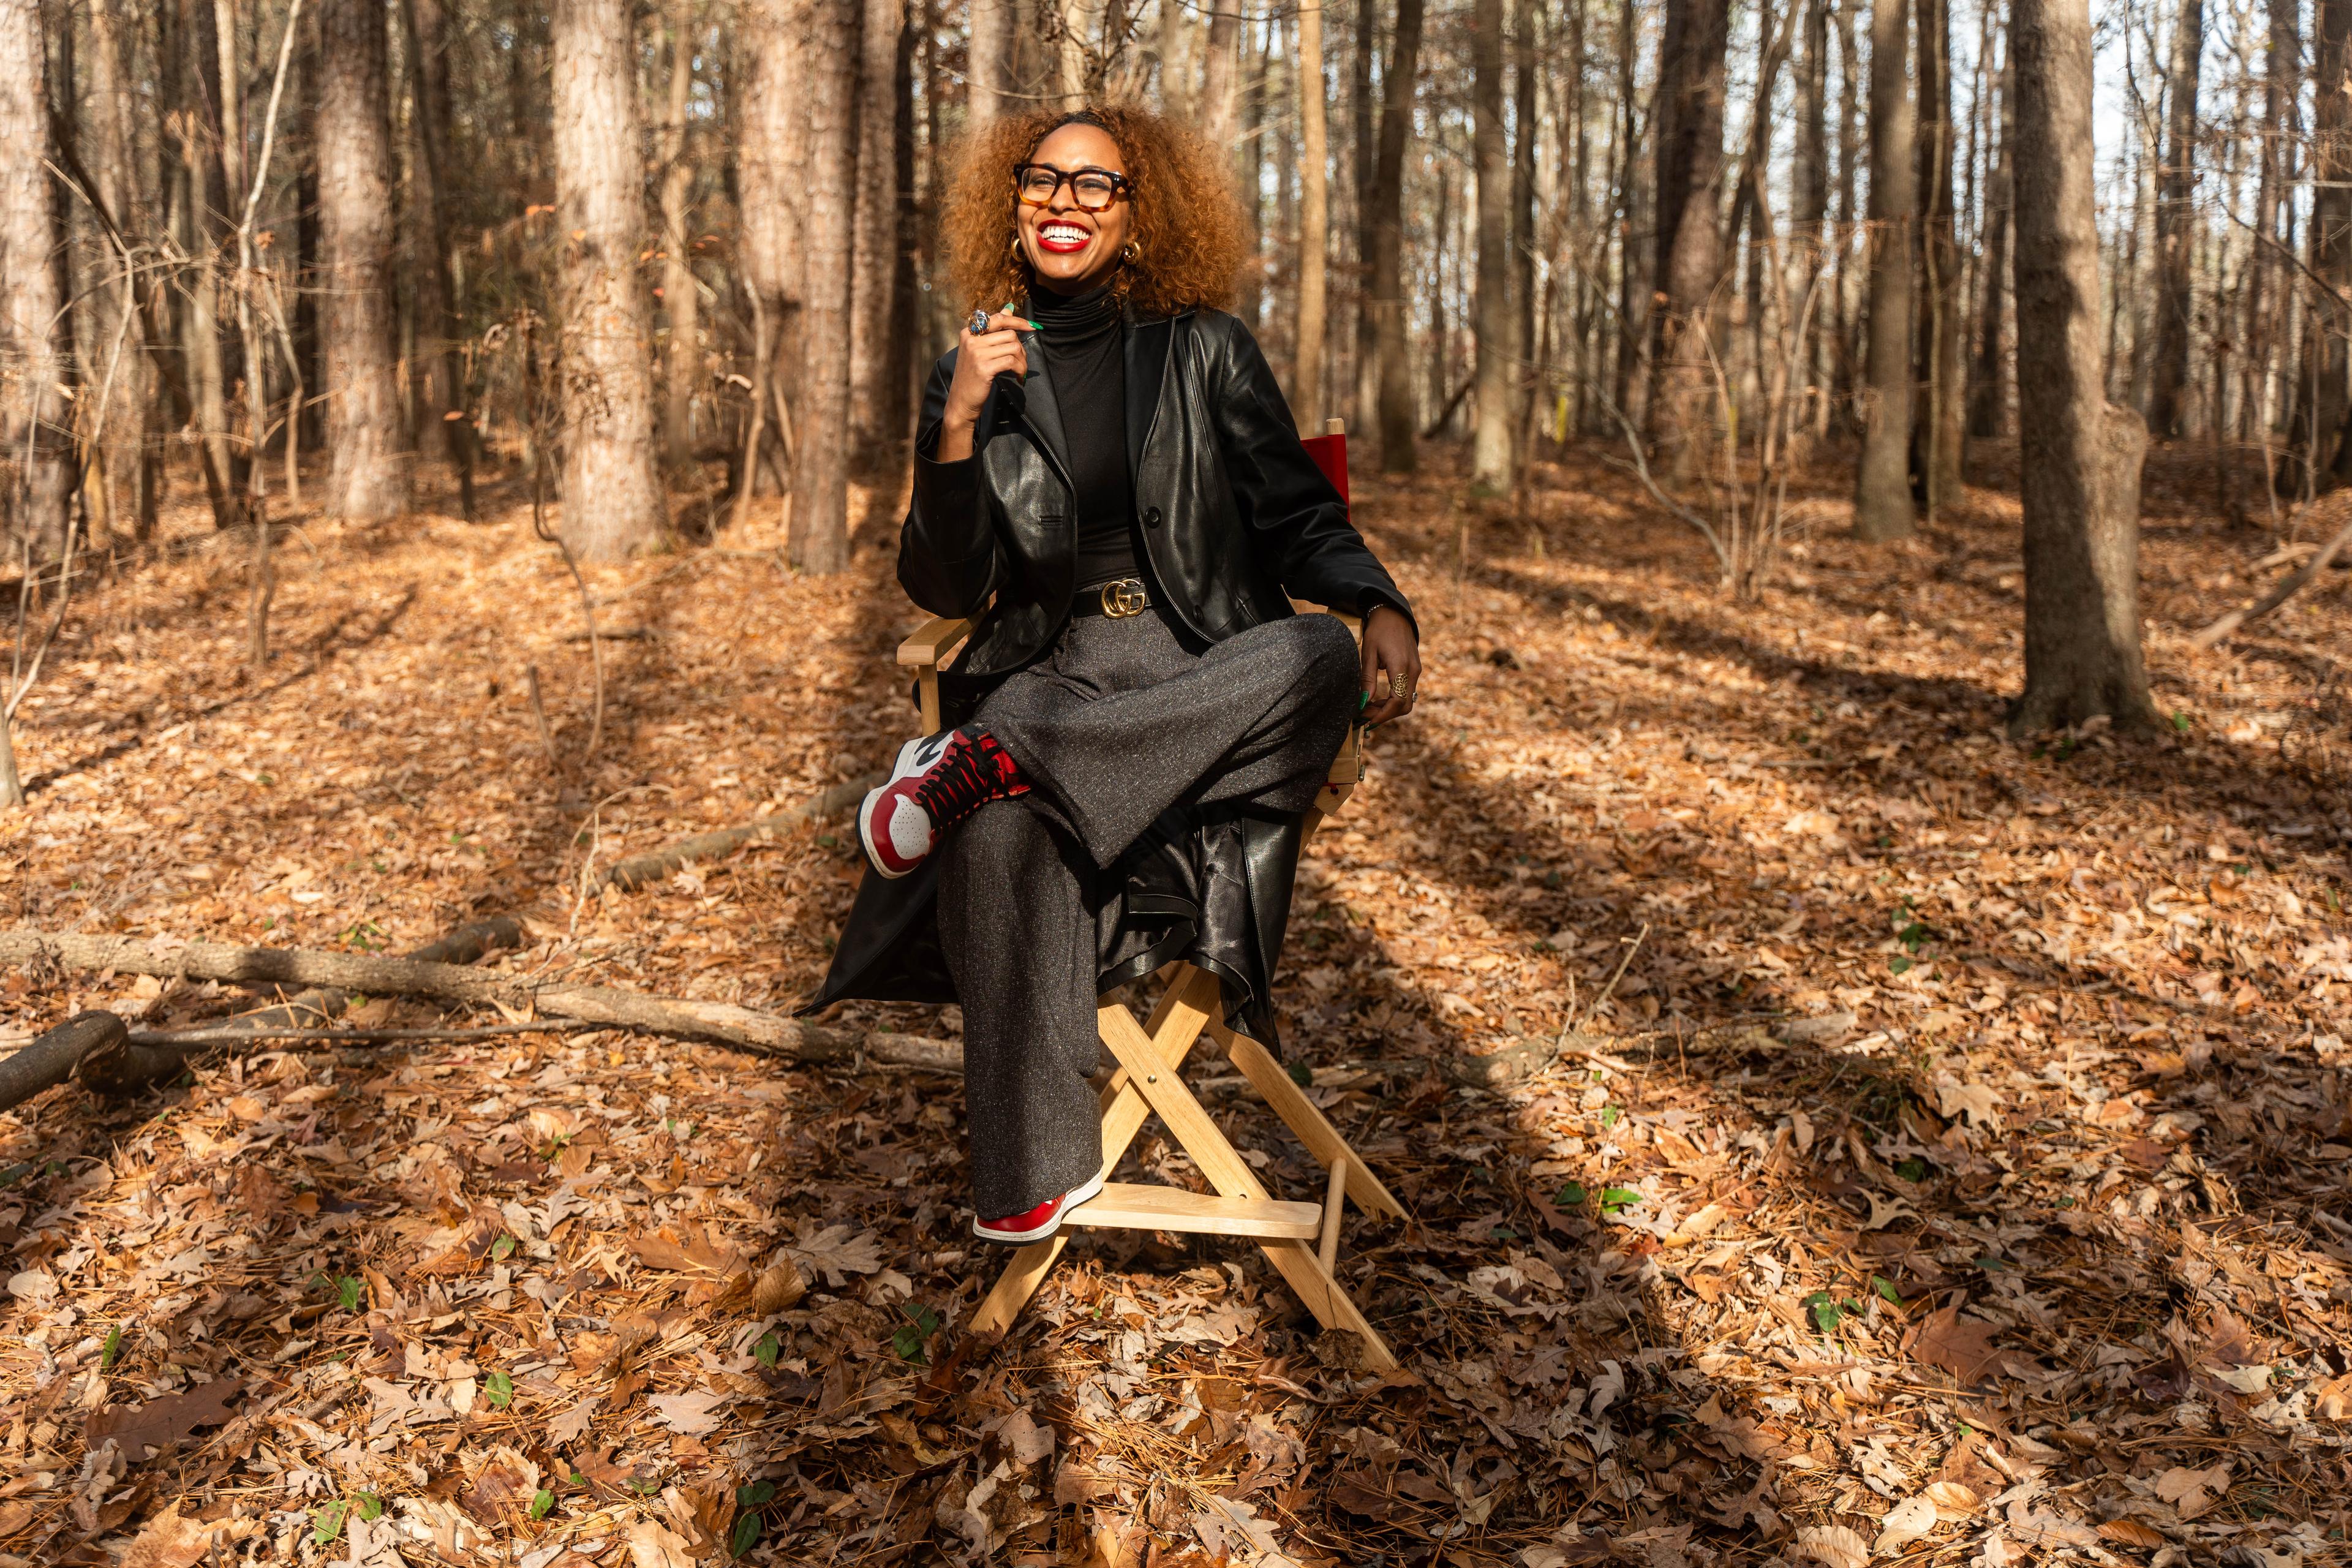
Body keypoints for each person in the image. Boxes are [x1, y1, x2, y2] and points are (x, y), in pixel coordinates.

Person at [809, 101, 1421, 1248]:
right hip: (1061, 668)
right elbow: (945, 590)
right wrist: (955, 423)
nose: (1065, 203)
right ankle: (1032, 1170)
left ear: (1139, 220)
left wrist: (1375, 596)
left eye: (1098, 186)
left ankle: (983, 763)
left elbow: (1297, 514)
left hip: (1206, 668)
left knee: (1321, 652)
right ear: (1015, 201)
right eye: (1045, 181)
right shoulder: (975, 369)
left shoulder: (1204, 347)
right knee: (993, 834)